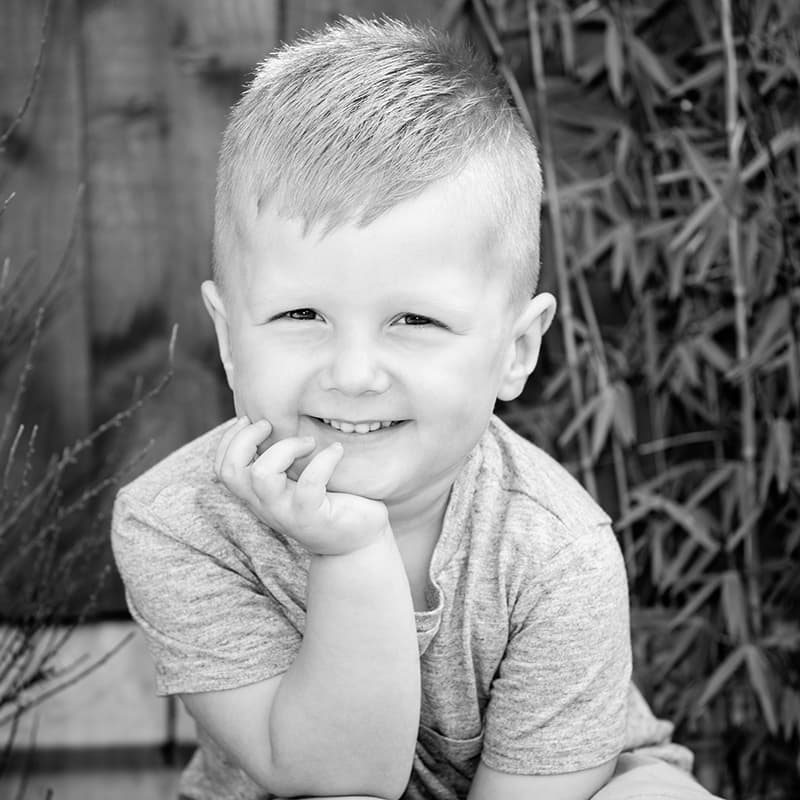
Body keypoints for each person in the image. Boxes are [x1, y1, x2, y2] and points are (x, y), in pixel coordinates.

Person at [112, 17, 724, 800]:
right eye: (302, 316)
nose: (355, 372)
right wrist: (348, 552)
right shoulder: (178, 521)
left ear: (516, 350)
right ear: (230, 338)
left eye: (415, 320)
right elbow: (335, 782)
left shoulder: (556, 551)